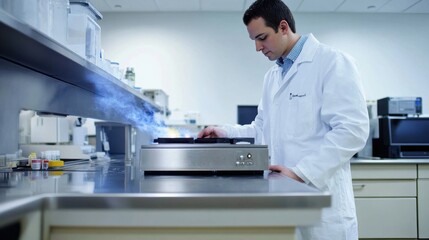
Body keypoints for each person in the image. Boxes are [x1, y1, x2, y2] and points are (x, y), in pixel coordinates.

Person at [198, 0, 369, 239]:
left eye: (262, 37)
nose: (258, 47)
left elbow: (352, 130)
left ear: (284, 27)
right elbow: (262, 128)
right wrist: (225, 133)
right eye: (254, 40)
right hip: (282, 198)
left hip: (321, 200)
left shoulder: (332, 62)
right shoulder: (273, 76)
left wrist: (301, 173)